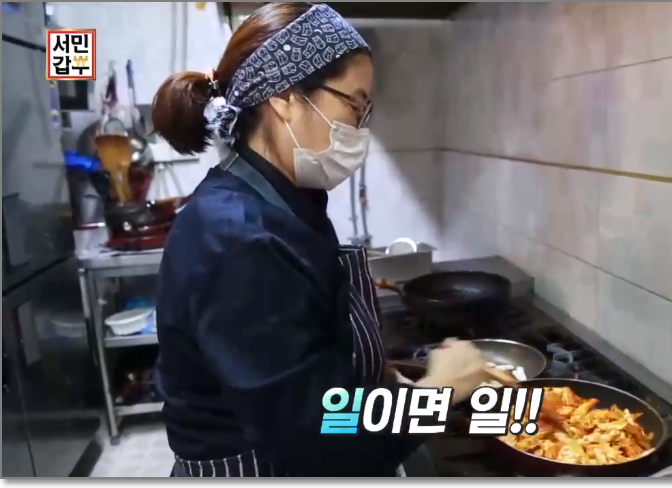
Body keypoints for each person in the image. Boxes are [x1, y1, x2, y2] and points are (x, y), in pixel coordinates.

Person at [150, 2, 488, 478]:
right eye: (354, 104)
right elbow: (314, 439)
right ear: (285, 97)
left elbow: (304, 369)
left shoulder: (282, 201)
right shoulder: (239, 239)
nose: (360, 127)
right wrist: (440, 392)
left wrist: (377, 385)